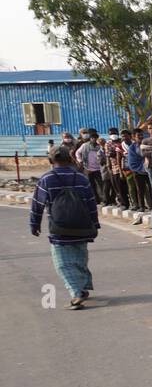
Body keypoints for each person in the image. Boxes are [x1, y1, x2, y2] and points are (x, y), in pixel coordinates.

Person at [30, 145, 99, 309]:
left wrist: (35, 224)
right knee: (79, 258)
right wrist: (94, 224)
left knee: (62, 263)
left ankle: (76, 293)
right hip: (82, 227)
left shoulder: (47, 179)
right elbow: (91, 203)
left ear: (50, 160)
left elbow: (37, 204)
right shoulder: (82, 178)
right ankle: (83, 286)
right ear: (70, 159)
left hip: (59, 229)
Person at [74, 128, 106, 205]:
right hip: (88, 168)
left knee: (101, 185)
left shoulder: (100, 146)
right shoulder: (84, 145)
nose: (94, 139)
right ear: (90, 138)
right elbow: (77, 153)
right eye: (92, 138)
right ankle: (95, 200)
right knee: (91, 185)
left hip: (98, 168)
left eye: (95, 138)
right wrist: (80, 161)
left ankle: (103, 199)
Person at [124, 129, 149, 214]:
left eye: (142, 135)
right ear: (134, 137)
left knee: (151, 189)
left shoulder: (147, 144)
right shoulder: (132, 148)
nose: (141, 137)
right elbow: (132, 161)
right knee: (140, 190)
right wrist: (141, 167)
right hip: (137, 171)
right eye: (139, 136)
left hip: (149, 170)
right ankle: (141, 206)